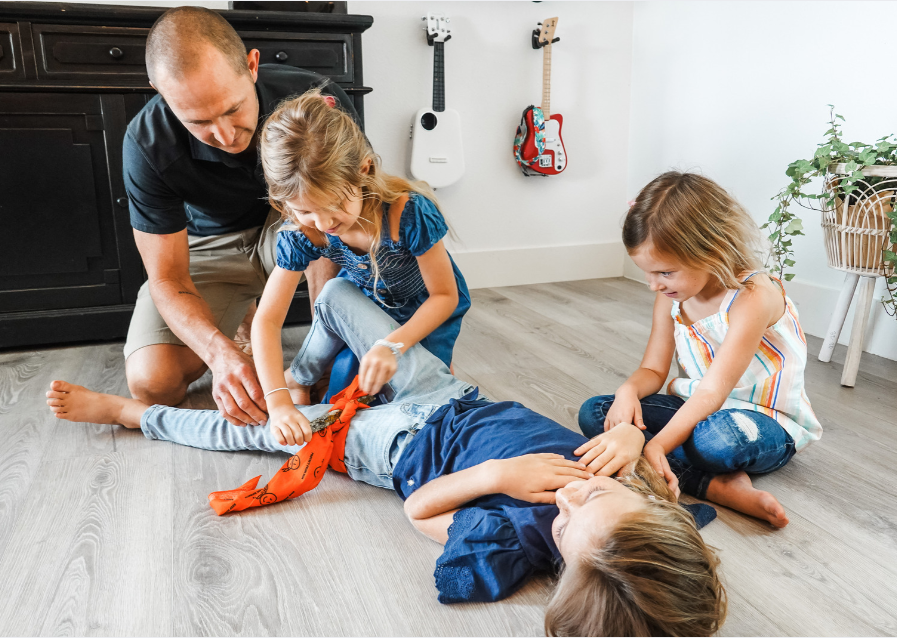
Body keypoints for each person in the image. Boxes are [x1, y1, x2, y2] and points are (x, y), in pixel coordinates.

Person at [46, 278, 725, 636]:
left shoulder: (513, 539)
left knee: (255, 431)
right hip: (452, 395)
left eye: (566, 524)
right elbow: (647, 459)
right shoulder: (640, 509)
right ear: (651, 510)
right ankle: (304, 382)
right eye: (597, 495)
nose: (572, 494)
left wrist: (496, 477)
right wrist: (634, 438)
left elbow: (422, 512)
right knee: (338, 295)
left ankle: (131, 413)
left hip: (392, 444)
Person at [123, 7, 351, 426]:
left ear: (251, 65)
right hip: (209, 245)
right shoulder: (145, 143)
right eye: (199, 121)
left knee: (323, 216)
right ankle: (241, 320)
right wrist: (219, 355)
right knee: (152, 383)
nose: (226, 136)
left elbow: (355, 205)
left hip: (291, 221)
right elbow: (167, 277)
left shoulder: (315, 101)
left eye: (233, 109)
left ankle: (327, 341)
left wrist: (327, 357)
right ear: (159, 90)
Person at [580, 171, 823, 528]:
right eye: (647, 273)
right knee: (597, 412)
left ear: (710, 250)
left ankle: (687, 472)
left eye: (664, 272)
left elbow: (712, 391)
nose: (653, 285)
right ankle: (717, 484)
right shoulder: (672, 299)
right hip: (695, 409)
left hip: (761, 420)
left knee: (717, 441)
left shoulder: (754, 296)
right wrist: (628, 391)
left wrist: (656, 446)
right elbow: (653, 370)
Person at [253, 89, 471, 441]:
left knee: (416, 404)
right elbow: (267, 319)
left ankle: (423, 361)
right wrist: (277, 403)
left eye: (334, 203)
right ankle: (298, 377)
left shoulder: (408, 213)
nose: (322, 223)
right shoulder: (306, 232)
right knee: (336, 304)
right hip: (367, 305)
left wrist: (394, 346)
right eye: (305, 210)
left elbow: (444, 297)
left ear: (363, 171)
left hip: (426, 312)